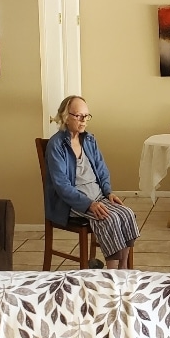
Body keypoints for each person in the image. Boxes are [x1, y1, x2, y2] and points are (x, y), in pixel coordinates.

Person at [45, 95, 139, 269]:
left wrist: (108, 192)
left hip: (98, 196)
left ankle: (123, 267)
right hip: (74, 202)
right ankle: (111, 273)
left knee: (126, 214)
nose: (84, 120)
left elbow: (102, 170)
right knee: (108, 219)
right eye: (79, 116)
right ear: (66, 117)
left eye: (86, 116)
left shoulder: (89, 140)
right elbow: (61, 185)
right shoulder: (55, 145)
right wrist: (89, 204)